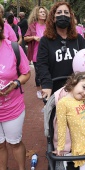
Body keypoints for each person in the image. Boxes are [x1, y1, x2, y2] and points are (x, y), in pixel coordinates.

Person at [37, 1, 85, 100]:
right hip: (54, 91)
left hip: (75, 90)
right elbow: (42, 64)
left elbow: (84, 63)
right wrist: (46, 85)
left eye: (66, 12)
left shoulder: (78, 39)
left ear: (70, 17)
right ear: (53, 18)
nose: (63, 15)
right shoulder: (45, 40)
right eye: (59, 12)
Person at [0, 16, 30, 170]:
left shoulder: (12, 47)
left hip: (12, 107)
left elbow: (26, 73)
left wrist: (16, 83)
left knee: (15, 143)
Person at [53, 71, 85, 170]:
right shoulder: (63, 103)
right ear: (75, 81)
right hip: (80, 146)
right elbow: (61, 126)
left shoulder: (83, 101)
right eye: (84, 87)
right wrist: (60, 147)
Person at [24, 6, 49, 99]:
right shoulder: (32, 26)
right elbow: (25, 38)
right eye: (41, 12)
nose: (43, 13)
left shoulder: (49, 25)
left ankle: (46, 89)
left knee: (48, 73)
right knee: (39, 75)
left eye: (44, 12)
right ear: (36, 14)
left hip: (48, 54)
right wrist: (34, 37)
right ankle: (39, 90)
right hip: (36, 55)